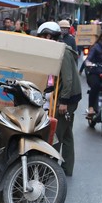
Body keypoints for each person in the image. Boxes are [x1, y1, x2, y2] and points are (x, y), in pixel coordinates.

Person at [37, 22, 81, 176]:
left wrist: (63, 102)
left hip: (67, 99)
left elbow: (67, 80)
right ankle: (67, 168)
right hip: (69, 96)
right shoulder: (58, 50)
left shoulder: (63, 52)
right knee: (67, 134)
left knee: (56, 135)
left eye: (43, 37)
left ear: (49, 36)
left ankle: (50, 170)